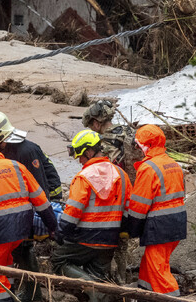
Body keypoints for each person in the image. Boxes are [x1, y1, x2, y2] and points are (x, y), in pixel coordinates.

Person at [0, 111, 62, 301]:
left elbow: (40, 189)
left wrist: (48, 223)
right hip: (23, 210)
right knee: (15, 251)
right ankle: (19, 288)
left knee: (24, 249)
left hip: (32, 210)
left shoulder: (25, 151)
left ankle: (33, 294)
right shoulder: (9, 151)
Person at [51, 129, 132, 302]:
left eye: (80, 156)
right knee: (99, 277)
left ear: (88, 152)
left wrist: (60, 232)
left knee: (59, 259)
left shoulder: (84, 177)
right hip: (110, 239)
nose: (79, 161)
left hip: (85, 238)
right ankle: (98, 293)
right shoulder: (122, 175)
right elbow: (128, 209)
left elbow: (72, 213)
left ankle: (93, 290)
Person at [124, 124, 186, 297]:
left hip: (160, 227)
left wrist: (132, 229)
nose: (137, 148)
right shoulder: (173, 164)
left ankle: (172, 298)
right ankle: (144, 294)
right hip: (177, 223)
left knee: (158, 271)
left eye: (138, 144)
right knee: (150, 265)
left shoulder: (148, 168)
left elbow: (138, 205)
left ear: (147, 145)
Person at [82, 99, 136, 282]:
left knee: (115, 243)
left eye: (91, 125)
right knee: (124, 241)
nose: (91, 128)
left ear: (96, 122)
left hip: (118, 198)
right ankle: (121, 277)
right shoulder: (129, 132)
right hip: (136, 193)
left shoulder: (104, 144)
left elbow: (104, 174)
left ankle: (115, 282)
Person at [82, 100, 136, 178]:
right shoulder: (128, 130)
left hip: (124, 185)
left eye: (91, 127)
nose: (92, 130)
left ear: (96, 124)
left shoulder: (105, 144)